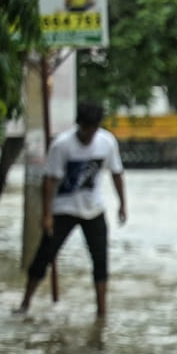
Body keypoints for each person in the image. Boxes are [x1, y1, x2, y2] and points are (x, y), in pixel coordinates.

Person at [17, 102, 125, 319]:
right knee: (44, 256)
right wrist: (47, 214)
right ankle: (25, 303)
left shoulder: (107, 142)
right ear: (79, 125)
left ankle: (101, 312)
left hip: (93, 209)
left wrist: (123, 204)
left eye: (93, 129)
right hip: (64, 208)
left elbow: (116, 173)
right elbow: (49, 181)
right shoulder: (63, 145)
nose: (89, 134)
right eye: (86, 129)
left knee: (100, 260)